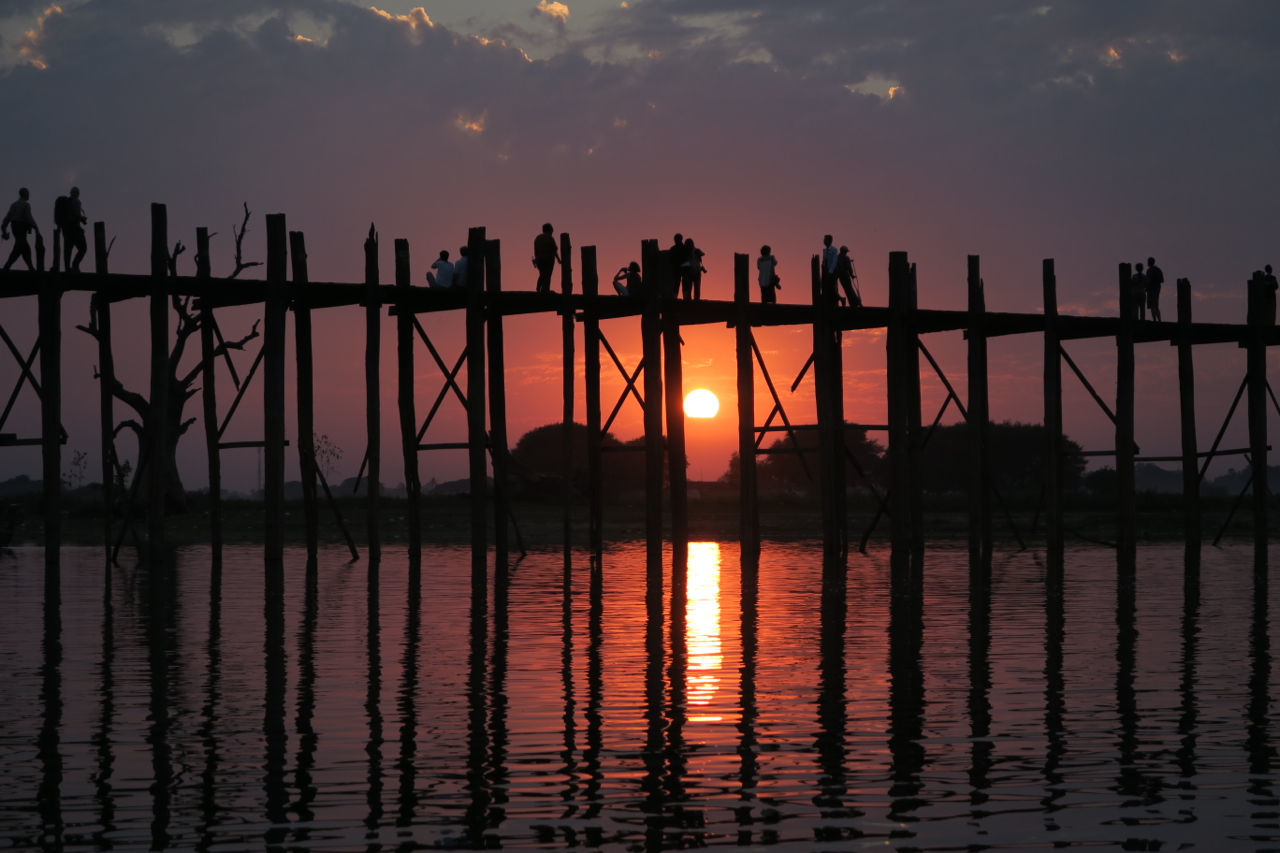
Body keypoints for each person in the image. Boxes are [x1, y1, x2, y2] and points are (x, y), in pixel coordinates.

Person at [2, 187, 39, 271]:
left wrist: (3, 229)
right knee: (23, 248)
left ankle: (29, 267)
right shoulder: (26, 205)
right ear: (25, 194)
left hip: (14, 227)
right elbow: (28, 217)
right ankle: (30, 268)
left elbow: (7, 218)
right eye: (28, 193)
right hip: (21, 228)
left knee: (21, 248)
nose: (29, 195)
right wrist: (36, 227)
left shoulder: (14, 205)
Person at [60, 186, 87, 272]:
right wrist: (82, 219)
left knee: (68, 249)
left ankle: (67, 268)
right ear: (77, 194)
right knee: (83, 248)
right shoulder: (76, 201)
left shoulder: (66, 202)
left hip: (66, 230)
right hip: (75, 229)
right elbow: (75, 214)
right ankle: (75, 264)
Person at [533, 223, 559, 294]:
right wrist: (558, 259)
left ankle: (539, 288)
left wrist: (536, 260)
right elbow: (554, 250)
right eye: (552, 230)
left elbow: (536, 250)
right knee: (547, 275)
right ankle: (545, 289)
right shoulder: (550, 238)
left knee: (542, 274)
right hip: (548, 260)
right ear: (550, 230)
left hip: (539, 259)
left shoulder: (537, 238)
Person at [1145, 256, 1164, 322]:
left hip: (1151, 289)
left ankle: (1154, 319)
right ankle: (1159, 319)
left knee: (1152, 305)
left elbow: (1148, 281)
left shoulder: (1149, 270)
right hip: (1157, 289)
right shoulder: (1158, 270)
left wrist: (1146, 288)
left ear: (1149, 262)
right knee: (1156, 305)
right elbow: (1162, 280)